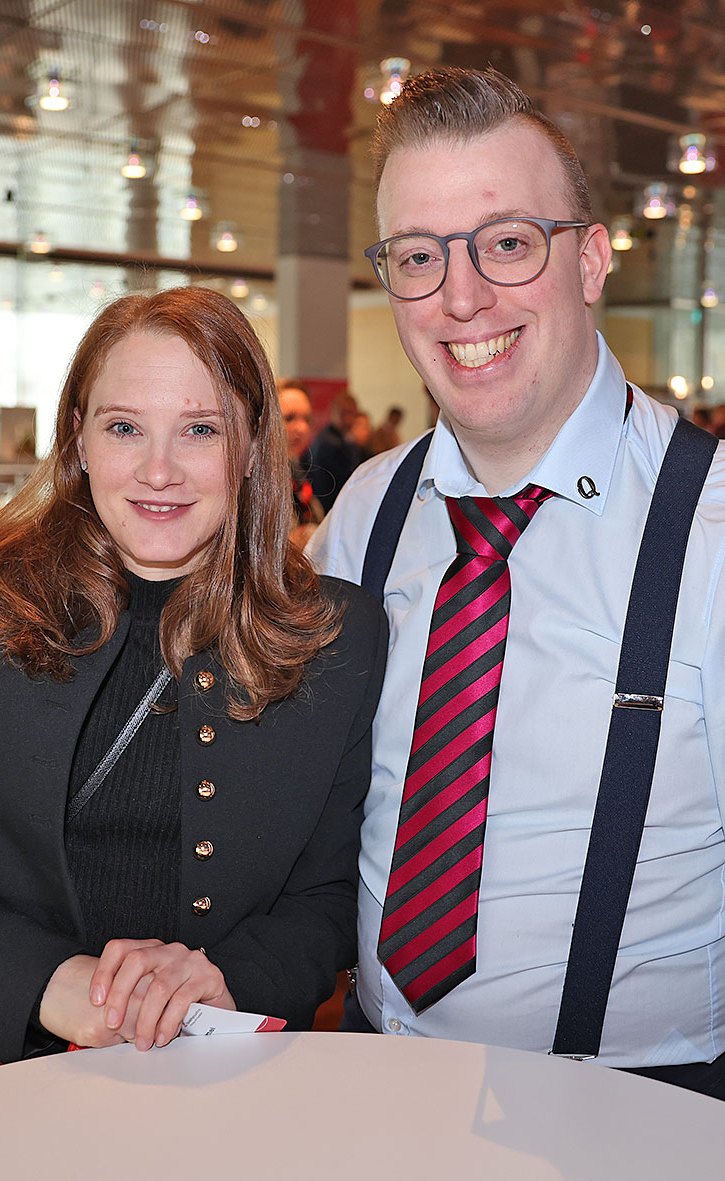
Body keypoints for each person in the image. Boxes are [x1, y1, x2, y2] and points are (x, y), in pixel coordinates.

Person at [307, 66, 725, 1099]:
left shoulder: (713, 533)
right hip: (370, 1080)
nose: (460, 298)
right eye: (418, 255)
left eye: (505, 243)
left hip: (642, 1109)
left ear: (588, 260)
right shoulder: (367, 511)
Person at [0, 286, 387, 1080]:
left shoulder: (336, 635)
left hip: (222, 1079)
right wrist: (40, 981)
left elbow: (329, 893)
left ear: (250, 444)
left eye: (200, 429)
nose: (158, 470)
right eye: (124, 427)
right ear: (78, 436)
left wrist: (228, 977)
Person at [277, 378, 324, 549]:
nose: (302, 428)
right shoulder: (251, 481)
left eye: (307, 419)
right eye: (289, 418)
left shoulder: (296, 472)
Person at [308, 390, 361, 512]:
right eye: (344, 413)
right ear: (333, 413)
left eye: (352, 414)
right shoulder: (329, 443)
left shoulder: (343, 438)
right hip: (329, 508)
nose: (348, 419)